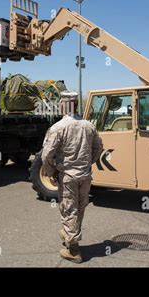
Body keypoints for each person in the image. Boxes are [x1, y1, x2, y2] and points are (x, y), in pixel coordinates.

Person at [41, 91, 103, 263]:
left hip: (68, 176)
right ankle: (70, 233)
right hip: (85, 176)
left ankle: (74, 250)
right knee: (80, 207)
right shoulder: (89, 126)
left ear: (63, 105)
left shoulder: (58, 128)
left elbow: (46, 155)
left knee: (69, 209)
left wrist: (50, 171)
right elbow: (99, 148)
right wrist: (88, 162)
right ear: (75, 105)